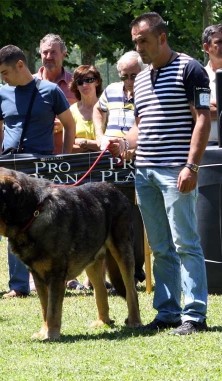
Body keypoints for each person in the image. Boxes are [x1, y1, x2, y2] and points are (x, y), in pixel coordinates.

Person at [110, 12, 211, 335]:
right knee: (159, 246)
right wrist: (125, 143)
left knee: (185, 243)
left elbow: (203, 119)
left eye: (144, 41)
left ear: (162, 38)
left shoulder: (190, 69)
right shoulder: (139, 78)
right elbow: (141, 125)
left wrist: (191, 166)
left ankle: (195, 315)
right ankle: (167, 313)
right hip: (145, 173)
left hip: (175, 171)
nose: (139, 47)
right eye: (135, 42)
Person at [0, 44, 76, 298]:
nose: (3, 78)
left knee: (46, 223)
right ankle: (18, 285)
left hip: (42, 169)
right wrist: (0, 160)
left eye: (5, 72)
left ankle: (50, 277)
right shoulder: (1, 94)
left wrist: (64, 159)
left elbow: (69, 125)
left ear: (20, 65)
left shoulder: (50, 91)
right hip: (11, 169)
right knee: (12, 223)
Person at [92, 51, 146, 285]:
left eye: (133, 75)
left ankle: (134, 272)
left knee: (136, 217)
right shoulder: (112, 90)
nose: (129, 81)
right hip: (111, 165)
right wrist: (99, 135)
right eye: (125, 76)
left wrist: (132, 149)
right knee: (111, 218)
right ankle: (116, 274)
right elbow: (97, 109)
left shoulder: (148, 92)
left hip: (138, 161)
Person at [35, 33, 78, 154]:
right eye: (45, 52)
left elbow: (89, 115)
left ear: (63, 55)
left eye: (53, 52)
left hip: (70, 158)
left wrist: (65, 125)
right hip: (36, 157)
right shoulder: (30, 85)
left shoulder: (77, 84)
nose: (48, 56)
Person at [202, 23, 222, 144]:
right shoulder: (197, 77)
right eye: (219, 42)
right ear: (206, 48)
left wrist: (214, 105)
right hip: (207, 148)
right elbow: (197, 113)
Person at [68, 65, 103, 153]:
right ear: (76, 85)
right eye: (79, 82)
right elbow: (68, 147)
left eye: (89, 80)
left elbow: (111, 144)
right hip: (80, 164)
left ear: (97, 82)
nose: (84, 85)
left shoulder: (108, 108)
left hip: (107, 163)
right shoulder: (71, 111)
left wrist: (84, 143)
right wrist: (97, 145)